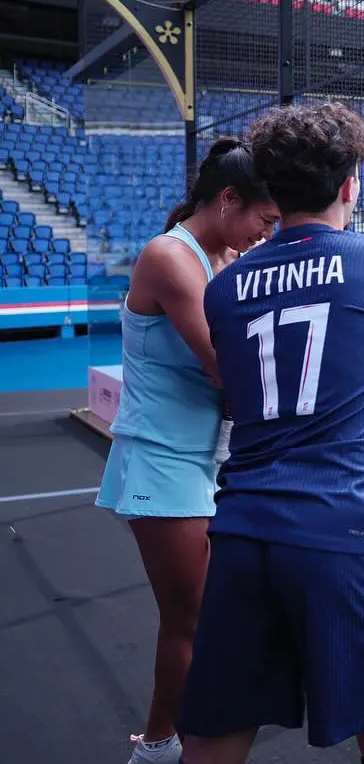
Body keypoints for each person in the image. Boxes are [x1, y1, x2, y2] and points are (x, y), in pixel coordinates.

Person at [177, 102, 364, 764]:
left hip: (242, 531)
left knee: (214, 740)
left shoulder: (226, 284)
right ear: (352, 181)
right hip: (347, 530)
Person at [94, 138, 277, 764]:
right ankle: (158, 745)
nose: (266, 232)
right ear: (228, 200)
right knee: (190, 616)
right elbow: (229, 367)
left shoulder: (227, 256)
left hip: (213, 456)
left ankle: (181, 732)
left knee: (215, 612)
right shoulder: (171, 257)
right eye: (264, 218)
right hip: (162, 458)